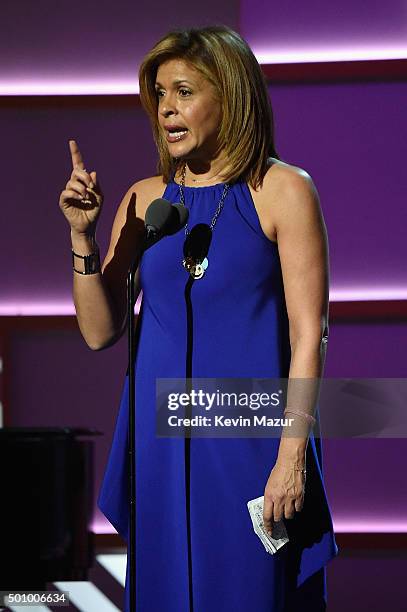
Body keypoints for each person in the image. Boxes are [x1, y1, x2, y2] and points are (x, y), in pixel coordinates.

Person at [59, 25, 338, 612]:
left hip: (252, 445)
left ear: (230, 95)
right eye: (159, 95)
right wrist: (82, 236)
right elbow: (99, 331)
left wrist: (291, 458)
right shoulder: (145, 200)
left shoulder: (283, 190)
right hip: (161, 447)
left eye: (183, 92)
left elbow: (310, 336)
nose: (166, 110)